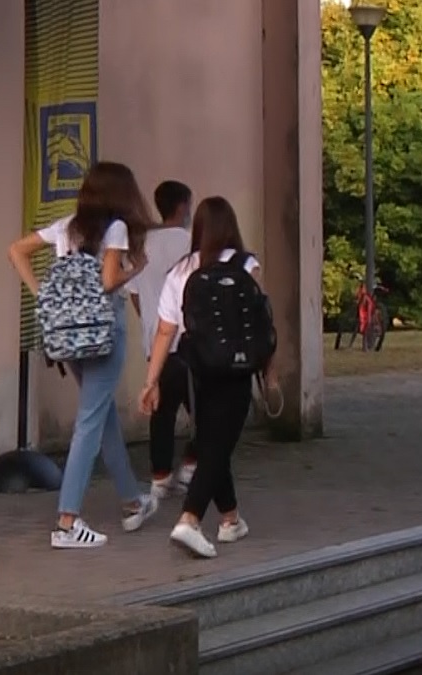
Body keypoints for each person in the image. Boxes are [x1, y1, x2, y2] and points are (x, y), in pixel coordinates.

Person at [8, 161, 157, 549]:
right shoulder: (118, 228)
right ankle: (67, 521)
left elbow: (16, 251)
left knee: (102, 416)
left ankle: (131, 500)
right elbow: (109, 281)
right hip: (104, 332)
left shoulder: (67, 225)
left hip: (68, 335)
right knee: (90, 423)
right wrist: (135, 268)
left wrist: (43, 294)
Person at [138, 196, 276, 559]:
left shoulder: (181, 271)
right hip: (237, 369)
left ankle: (231, 519)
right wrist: (270, 373)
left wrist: (151, 381)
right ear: (231, 226)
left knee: (214, 439)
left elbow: (165, 331)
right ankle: (190, 519)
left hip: (196, 370)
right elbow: (262, 322)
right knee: (217, 445)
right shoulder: (247, 264)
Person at [127, 180, 196, 499]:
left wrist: (150, 323)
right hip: (188, 339)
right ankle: (192, 463)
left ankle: (159, 474)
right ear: (182, 206)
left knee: (162, 411)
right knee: (207, 409)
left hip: (155, 341)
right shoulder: (191, 242)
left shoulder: (143, 243)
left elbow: (135, 295)